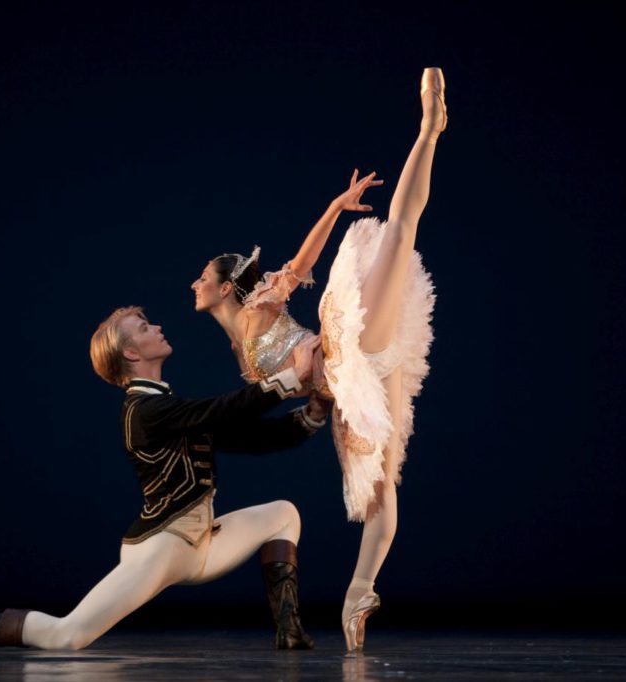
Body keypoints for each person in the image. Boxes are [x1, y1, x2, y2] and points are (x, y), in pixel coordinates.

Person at [0, 307, 326, 651]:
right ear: (132, 354)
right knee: (67, 636)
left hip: (200, 546)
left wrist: (310, 416)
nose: (156, 326)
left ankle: (289, 633)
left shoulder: (168, 407)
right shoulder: (143, 412)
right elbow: (222, 410)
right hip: (158, 550)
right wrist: (292, 376)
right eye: (143, 327)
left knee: (283, 514)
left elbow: (247, 436)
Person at [191, 67, 446, 651]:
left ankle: (429, 130)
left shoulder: (259, 303)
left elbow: (303, 264)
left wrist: (335, 206)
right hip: (342, 393)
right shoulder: (240, 351)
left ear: (227, 287)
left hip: (345, 348)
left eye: (202, 278)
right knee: (379, 489)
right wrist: (308, 413)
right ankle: (360, 595)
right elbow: (280, 406)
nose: (194, 284)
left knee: (400, 233)